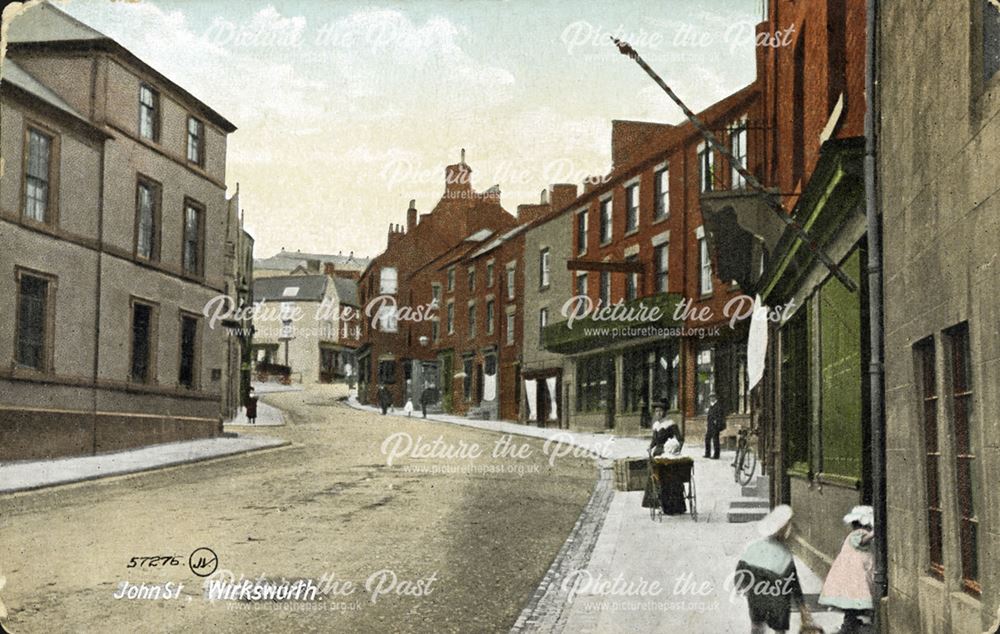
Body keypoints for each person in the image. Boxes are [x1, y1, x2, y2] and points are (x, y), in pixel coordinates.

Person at [734, 505, 816, 634]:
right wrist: (802, 606)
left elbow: (740, 570)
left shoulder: (753, 548)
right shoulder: (784, 554)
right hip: (779, 602)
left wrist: (740, 587)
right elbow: (794, 583)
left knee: (757, 626)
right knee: (779, 630)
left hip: (756, 597)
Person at [819, 505, 875, 633]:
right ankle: (848, 624)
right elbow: (862, 541)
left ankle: (851, 620)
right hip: (854, 573)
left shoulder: (855, 533)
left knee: (853, 600)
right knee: (854, 598)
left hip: (855, 571)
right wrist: (873, 533)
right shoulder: (858, 534)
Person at [705, 393, 725, 459]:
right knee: (707, 439)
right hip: (710, 425)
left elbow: (720, 415)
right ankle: (707, 453)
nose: (711, 398)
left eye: (712, 397)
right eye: (710, 397)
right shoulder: (711, 405)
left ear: (715, 397)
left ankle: (716, 455)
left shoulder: (718, 405)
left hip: (715, 425)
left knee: (715, 440)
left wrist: (717, 422)